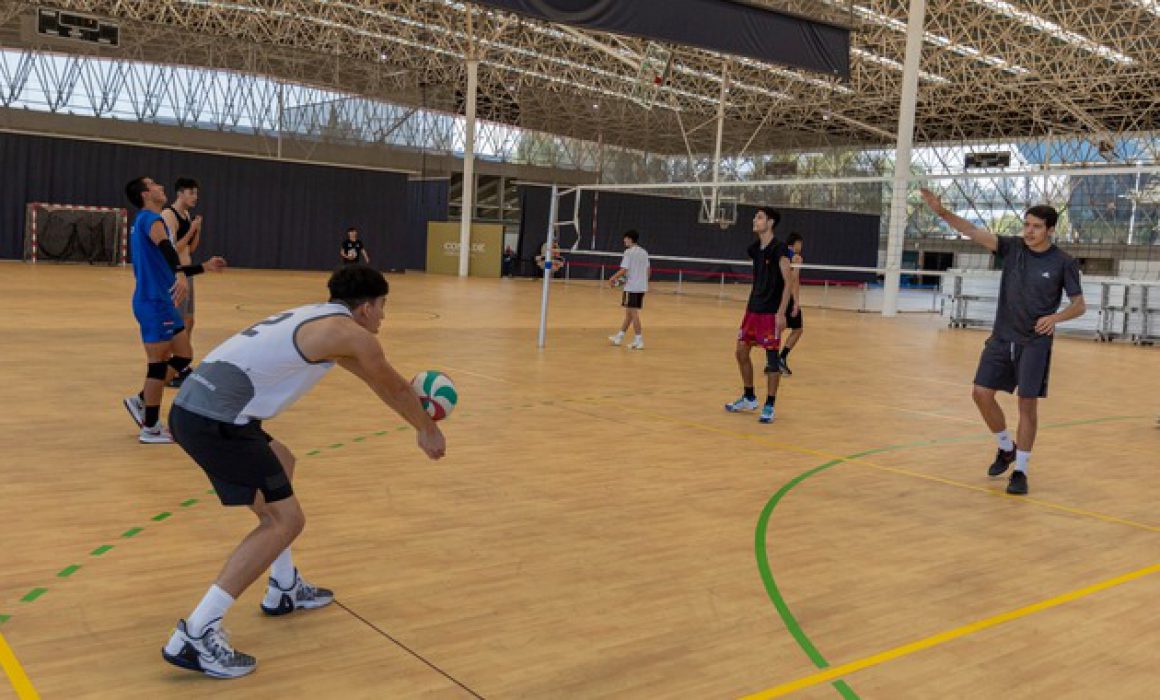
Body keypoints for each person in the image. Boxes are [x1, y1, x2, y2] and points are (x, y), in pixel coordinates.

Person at [162, 264, 446, 679]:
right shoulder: (351, 334)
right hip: (216, 421)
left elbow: (378, 380)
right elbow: (396, 389)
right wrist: (428, 428)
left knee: (283, 461)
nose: (384, 316)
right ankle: (197, 632)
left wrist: (415, 413)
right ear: (366, 308)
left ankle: (283, 587)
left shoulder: (320, 319)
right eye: (383, 307)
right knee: (285, 520)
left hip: (200, 409)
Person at [920, 188, 1085, 495]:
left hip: (1035, 342)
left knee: (1026, 404)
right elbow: (970, 230)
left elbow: (1079, 305)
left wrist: (1055, 319)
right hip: (1002, 337)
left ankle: (1020, 470)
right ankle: (1005, 447)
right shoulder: (1011, 248)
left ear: (1050, 230)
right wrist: (941, 212)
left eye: (1036, 227)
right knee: (981, 393)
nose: (1029, 231)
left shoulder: (1064, 262)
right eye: (1026, 225)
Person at [122, 176, 225, 443]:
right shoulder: (150, 220)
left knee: (183, 355)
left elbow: (168, 261)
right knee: (157, 365)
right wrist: (181, 272)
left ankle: (142, 399)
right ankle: (150, 427)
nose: (161, 187)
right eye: (155, 184)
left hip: (163, 301)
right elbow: (169, 252)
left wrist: (204, 267)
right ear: (146, 194)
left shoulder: (148, 221)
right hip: (153, 302)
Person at [724, 207, 793, 424]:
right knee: (741, 352)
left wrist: (781, 313)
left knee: (772, 361)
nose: (755, 220)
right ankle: (749, 396)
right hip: (753, 309)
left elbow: (789, 282)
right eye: (755, 216)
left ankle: (770, 404)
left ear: (770, 223)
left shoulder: (780, 249)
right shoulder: (754, 249)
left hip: (771, 312)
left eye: (760, 217)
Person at [161, 177, 209, 387]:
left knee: (189, 321)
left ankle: (182, 363)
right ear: (180, 193)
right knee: (176, 324)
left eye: (196, 194)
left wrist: (197, 230)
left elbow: (190, 248)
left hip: (188, 273)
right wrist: (191, 229)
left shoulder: (187, 215)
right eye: (191, 193)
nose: (195, 197)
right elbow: (172, 249)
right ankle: (171, 367)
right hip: (175, 275)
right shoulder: (169, 215)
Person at [608, 230, 650, 350]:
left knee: (633, 313)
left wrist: (613, 278)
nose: (624, 241)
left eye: (625, 238)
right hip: (641, 287)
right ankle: (619, 337)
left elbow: (624, 269)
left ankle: (639, 339)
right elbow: (648, 270)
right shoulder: (644, 252)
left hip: (632, 288)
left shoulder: (628, 252)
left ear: (630, 239)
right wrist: (642, 281)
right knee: (629, 314)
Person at [778, 232, 805, 375]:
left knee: (778, 329)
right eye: (800, 243)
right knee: (798, 329)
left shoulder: (782, 253)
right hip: (786, 298)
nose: (801, 246)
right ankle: (780, 359)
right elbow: (792, 280)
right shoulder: (794, 257)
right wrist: (795, 302)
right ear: (795, 243)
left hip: (780, 297)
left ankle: (773, 361)